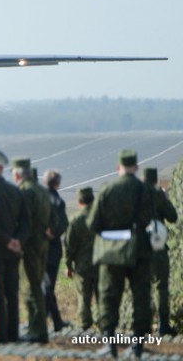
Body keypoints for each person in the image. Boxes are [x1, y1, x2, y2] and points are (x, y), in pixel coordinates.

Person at [86, 150, 154, 358]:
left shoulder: (107, 189)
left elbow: (92, 224)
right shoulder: (146, 190)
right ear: (136, 167)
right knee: (141, 297)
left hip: (111, 251)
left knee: (108, 297)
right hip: (139, 250)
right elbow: (151, 217)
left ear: (118, 167)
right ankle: (138, 346)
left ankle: (110, 344)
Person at [0, 149, 29, 343]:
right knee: (12, 292)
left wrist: (6, 240)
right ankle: (13, 333)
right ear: (1, 168)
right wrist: (18, 240)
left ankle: (0, 333)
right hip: (14, 250)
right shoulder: (14, 190)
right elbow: (26, 221)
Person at [12, 157, 51, 344]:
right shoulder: (42, 190)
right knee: (37, 285)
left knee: (30, 288)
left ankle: (37, 330)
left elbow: (24, 220)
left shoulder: (25, 191)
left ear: (17, 174)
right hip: (42, 243)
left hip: (30, 245)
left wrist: (18, 240)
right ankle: (38, 326)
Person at [143, 167, 178, 336]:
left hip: (140, 246)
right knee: (161, 286)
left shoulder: (135, 193)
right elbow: (172, 216)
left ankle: (143, 323)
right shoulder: (158, 194)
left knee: (141, 285)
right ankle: (163, 324)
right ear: (156, 180)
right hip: (158, 244)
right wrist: (166, 199)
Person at [64, 187, 98, 331]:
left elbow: (69, 245)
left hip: (82, 264)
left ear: (79, 201)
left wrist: (68, 265)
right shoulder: (101, 217)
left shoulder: (75, 220)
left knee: (84, 296)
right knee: (102, 295)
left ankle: (85, 324)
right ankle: (105, 324)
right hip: (100, 262)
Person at [43, 169, 69, 332]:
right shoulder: (58, 201)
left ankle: (56, 320)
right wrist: (53, 233)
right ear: (57, 184)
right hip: (52, 249)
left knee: (44, 286)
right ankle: (48, 320)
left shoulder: (38, 196)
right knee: (48, 286)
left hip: (37, 247)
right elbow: (63, 224)